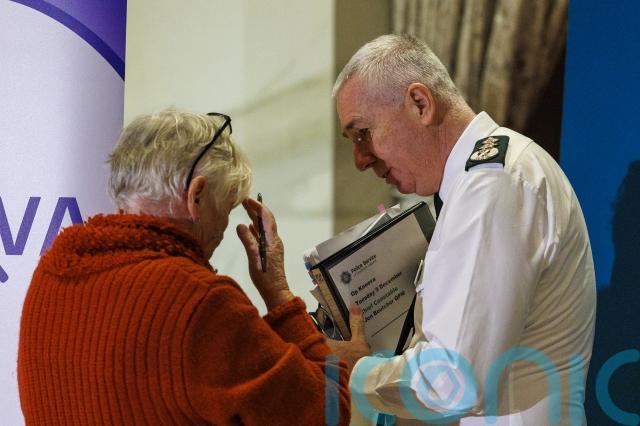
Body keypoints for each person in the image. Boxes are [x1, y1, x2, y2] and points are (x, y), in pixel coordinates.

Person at [17, 110, 351, 425]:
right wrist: (279, 295)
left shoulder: (50, 275)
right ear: (196, 196)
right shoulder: (200, 300)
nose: (223, 228)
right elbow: (327, 412)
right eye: (226, 208)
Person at [329, 34, 596, 425]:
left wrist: (359, 370)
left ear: (420, 104)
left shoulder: (493, 183)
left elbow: (453, 381)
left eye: (363, 133)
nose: (360, 159)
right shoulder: (480, 181)